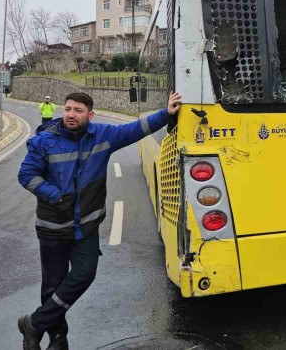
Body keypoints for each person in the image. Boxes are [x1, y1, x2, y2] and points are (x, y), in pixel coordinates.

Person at [16, 91, 181, 350]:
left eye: (78, 110)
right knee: (53, 285)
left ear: (90, 115)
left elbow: (136, 129)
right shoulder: (44, 142)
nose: (71, 114)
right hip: (53, 228)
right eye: (68, 108)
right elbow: (26, 174)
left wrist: (167, 112)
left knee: (83, 275)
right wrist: (55, 196)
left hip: (87, 226)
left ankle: (34, 324)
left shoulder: (102, 136)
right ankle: (58, 338)